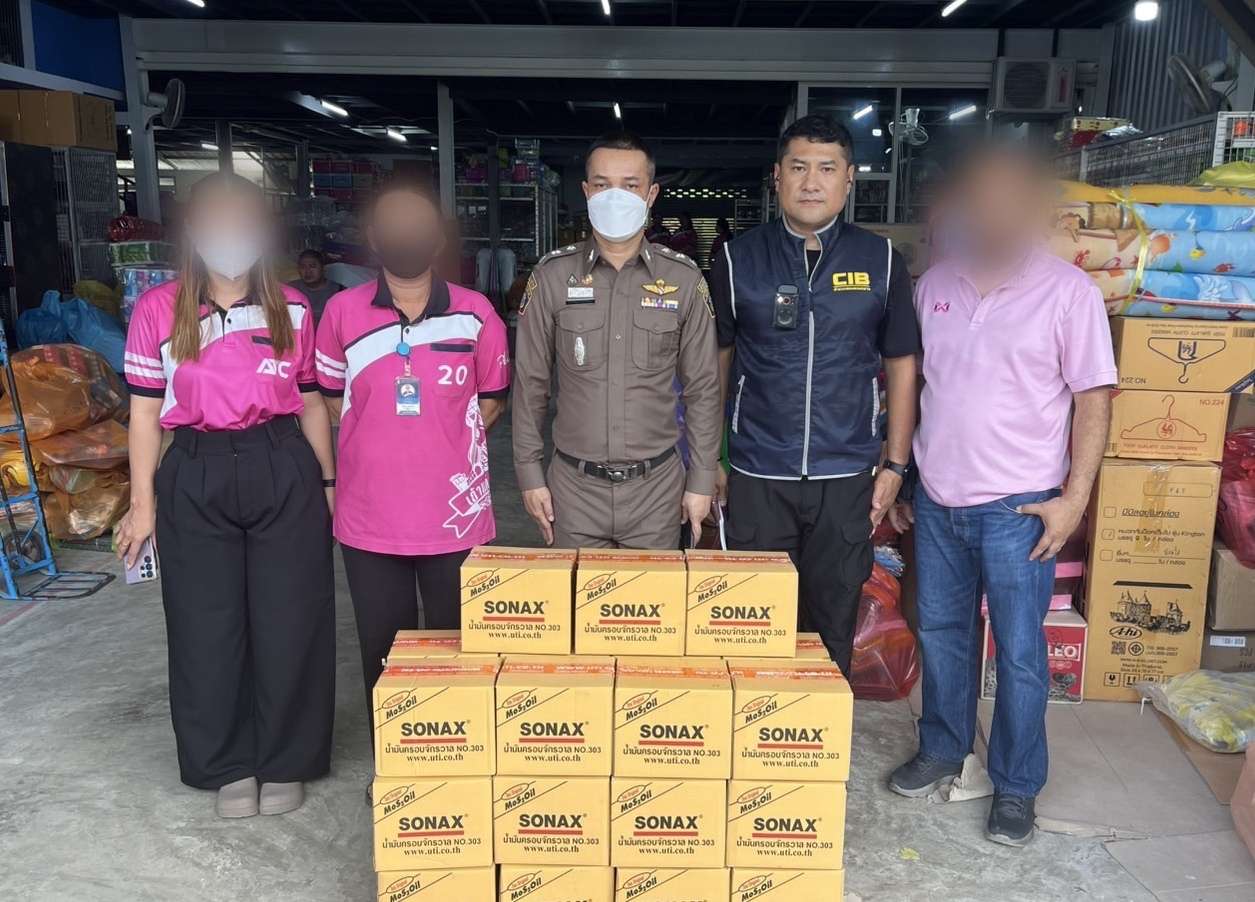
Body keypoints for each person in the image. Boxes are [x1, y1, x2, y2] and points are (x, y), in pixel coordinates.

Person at [887, 146, 1115, 848]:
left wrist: (1074, 498)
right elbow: (918, 389)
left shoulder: (1068, 293)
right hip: (938, 500)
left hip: (1020, 507)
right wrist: (906, 478)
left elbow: (1093, 398)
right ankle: (943, 748)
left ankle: (1016, 786)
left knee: (1017, 653)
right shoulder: (935, 285)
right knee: (941, 635)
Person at [116, 173, 336, 819]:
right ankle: (226, 764)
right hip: (195, 468)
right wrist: (142, 504)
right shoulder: (159, 309)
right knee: (204, 624)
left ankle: (287, 759)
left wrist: (326, 484)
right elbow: (144, 414)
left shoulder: (292, 306)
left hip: (281, 462)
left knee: (290, 617)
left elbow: (312, 402)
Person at [709, 114, 920, 674]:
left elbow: (901, 363)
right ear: (777, 176)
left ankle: (820, 726)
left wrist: (896, 465)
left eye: (826, 169)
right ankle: (755, 720)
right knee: (756, 621)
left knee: (833, 621)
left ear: (848, 179)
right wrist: (711, 457)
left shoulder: (881, 260)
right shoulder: (736, 259)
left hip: (845, 473)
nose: (810, 182)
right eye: (798, 167)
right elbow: (717, 362)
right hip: (758, 470)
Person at [315, 179, 510, 759]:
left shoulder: (476, 313)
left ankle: (455, 760)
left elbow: (491, 400)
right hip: (370, 518)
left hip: (455, 517)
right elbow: (330, 400)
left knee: (459, 646)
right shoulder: (341, 313)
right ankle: (397, 762)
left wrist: (439, 444)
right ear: (375, 238)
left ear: (438, 239)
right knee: (384, 649)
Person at [513, 131, 720, 549]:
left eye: (630, 185)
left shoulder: (683, 279)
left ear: (651, 194)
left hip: (656, 492)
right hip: (573, 491)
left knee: (652, 594)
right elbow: (530, 383)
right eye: (603, 184)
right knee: (574, 593)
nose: (615, 197)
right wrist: (529, 474)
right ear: (586, 191)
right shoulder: (553, 276)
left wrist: (701, 480)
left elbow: (702, 389)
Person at [289, 249, 344, 320]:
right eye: (303, 267)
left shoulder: (339, 291)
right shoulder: (290, 289)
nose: (308, 271)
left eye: (312, 266)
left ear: (323, 268)